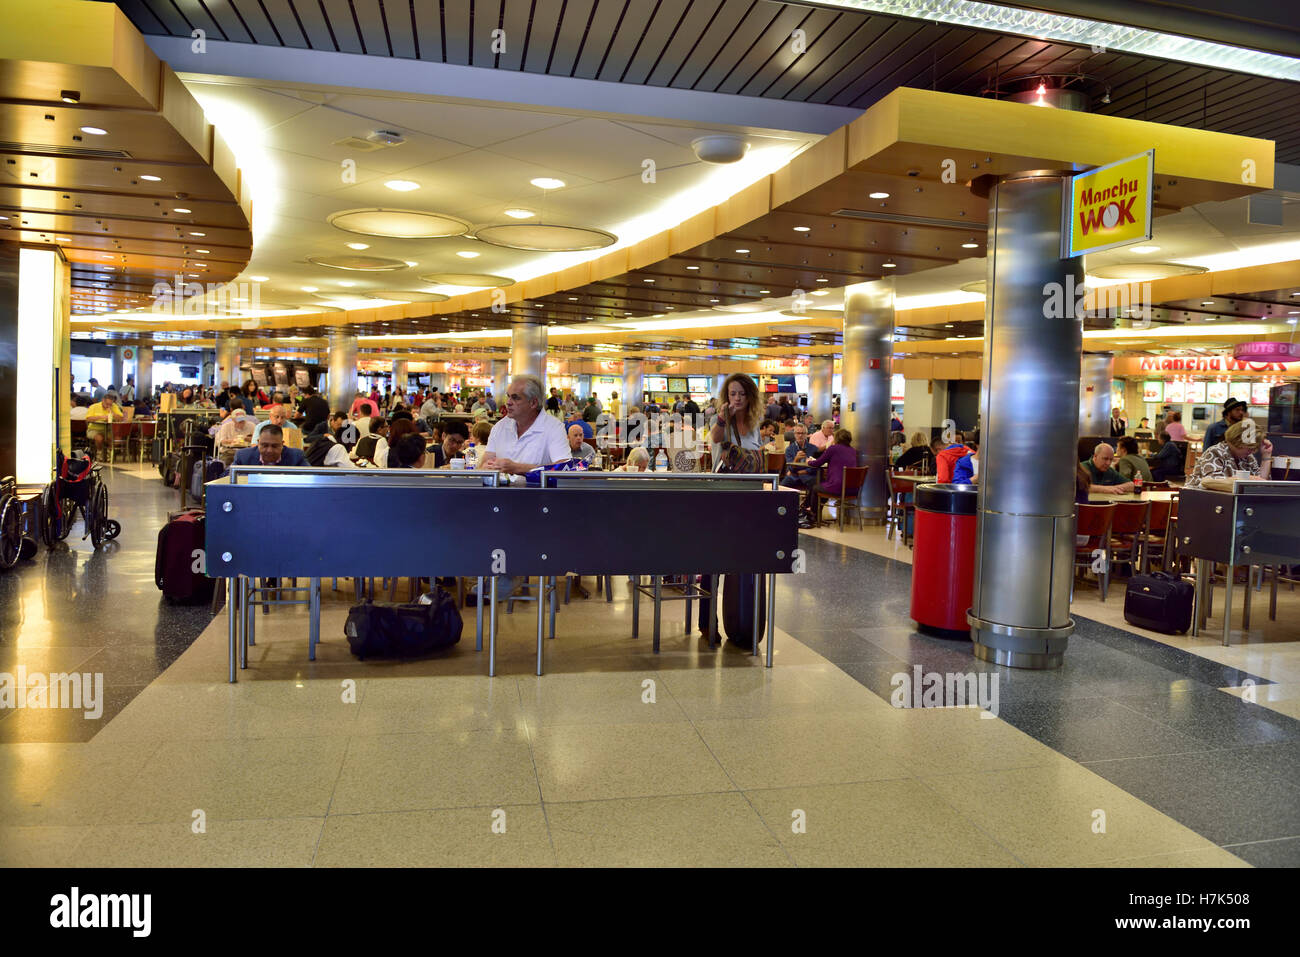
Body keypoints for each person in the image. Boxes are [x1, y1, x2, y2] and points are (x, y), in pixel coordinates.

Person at [481, 375, 571, 475]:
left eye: (515, 398)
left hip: (537, 490)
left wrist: (517, 468)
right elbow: (484, 463)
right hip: (500, 490)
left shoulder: (554, 428)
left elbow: (564, 469)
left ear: (533, 403)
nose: (508, 402)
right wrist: (486, 468)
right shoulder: (499, 427)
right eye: (508, 396)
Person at [1185, 421, 1272, 489]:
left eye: (1255, 447)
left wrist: (1266, 455)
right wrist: (1249, 479)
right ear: (1238, 440)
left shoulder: (1248, 457)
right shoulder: (1215, 452)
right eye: (1250, 447)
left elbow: (1261, 483)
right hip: (1200, 501)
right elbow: (1212, 483)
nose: (1253, 451)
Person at [709, 373, 763, 472]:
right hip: (725, 483)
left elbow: (758, 449)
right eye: (733, 394)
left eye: (742, 394)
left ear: (750, 396)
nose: (737, 398)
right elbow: (715, 439)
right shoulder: (717, 419)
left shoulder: (754, 423)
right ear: (727, 396)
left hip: (751, 483)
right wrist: (722, 419)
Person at [804, 429, 857, 523]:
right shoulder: (853, 450)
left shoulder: (833, 448)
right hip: (852, 489)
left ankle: (812, 514)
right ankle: (809, 511)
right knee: (821, 487)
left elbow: (818, 463)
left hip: (837, 487)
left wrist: (809, 461)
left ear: (837, 438)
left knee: (815, 488)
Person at [233, 424, 306, 466]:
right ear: (258, 443)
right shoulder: (243, 456)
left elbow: (311, 478)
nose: (269, 450)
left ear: (282, 444)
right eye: (265, 445)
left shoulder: (296, 457)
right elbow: (226, 478)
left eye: (274, 446)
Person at [85, 390, 125, 455]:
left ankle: (109, 453)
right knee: (99, 438)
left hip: (109, 430)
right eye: (107, 404)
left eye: (110, 404)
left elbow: (121, 418)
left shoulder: (114, 406)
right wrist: (101, 417)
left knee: (118, 439)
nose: (108, 406)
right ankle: (100, 452)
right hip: (94, 429)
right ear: (103, 400)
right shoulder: (94, 406)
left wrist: (112, 412)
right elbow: (88, 419)